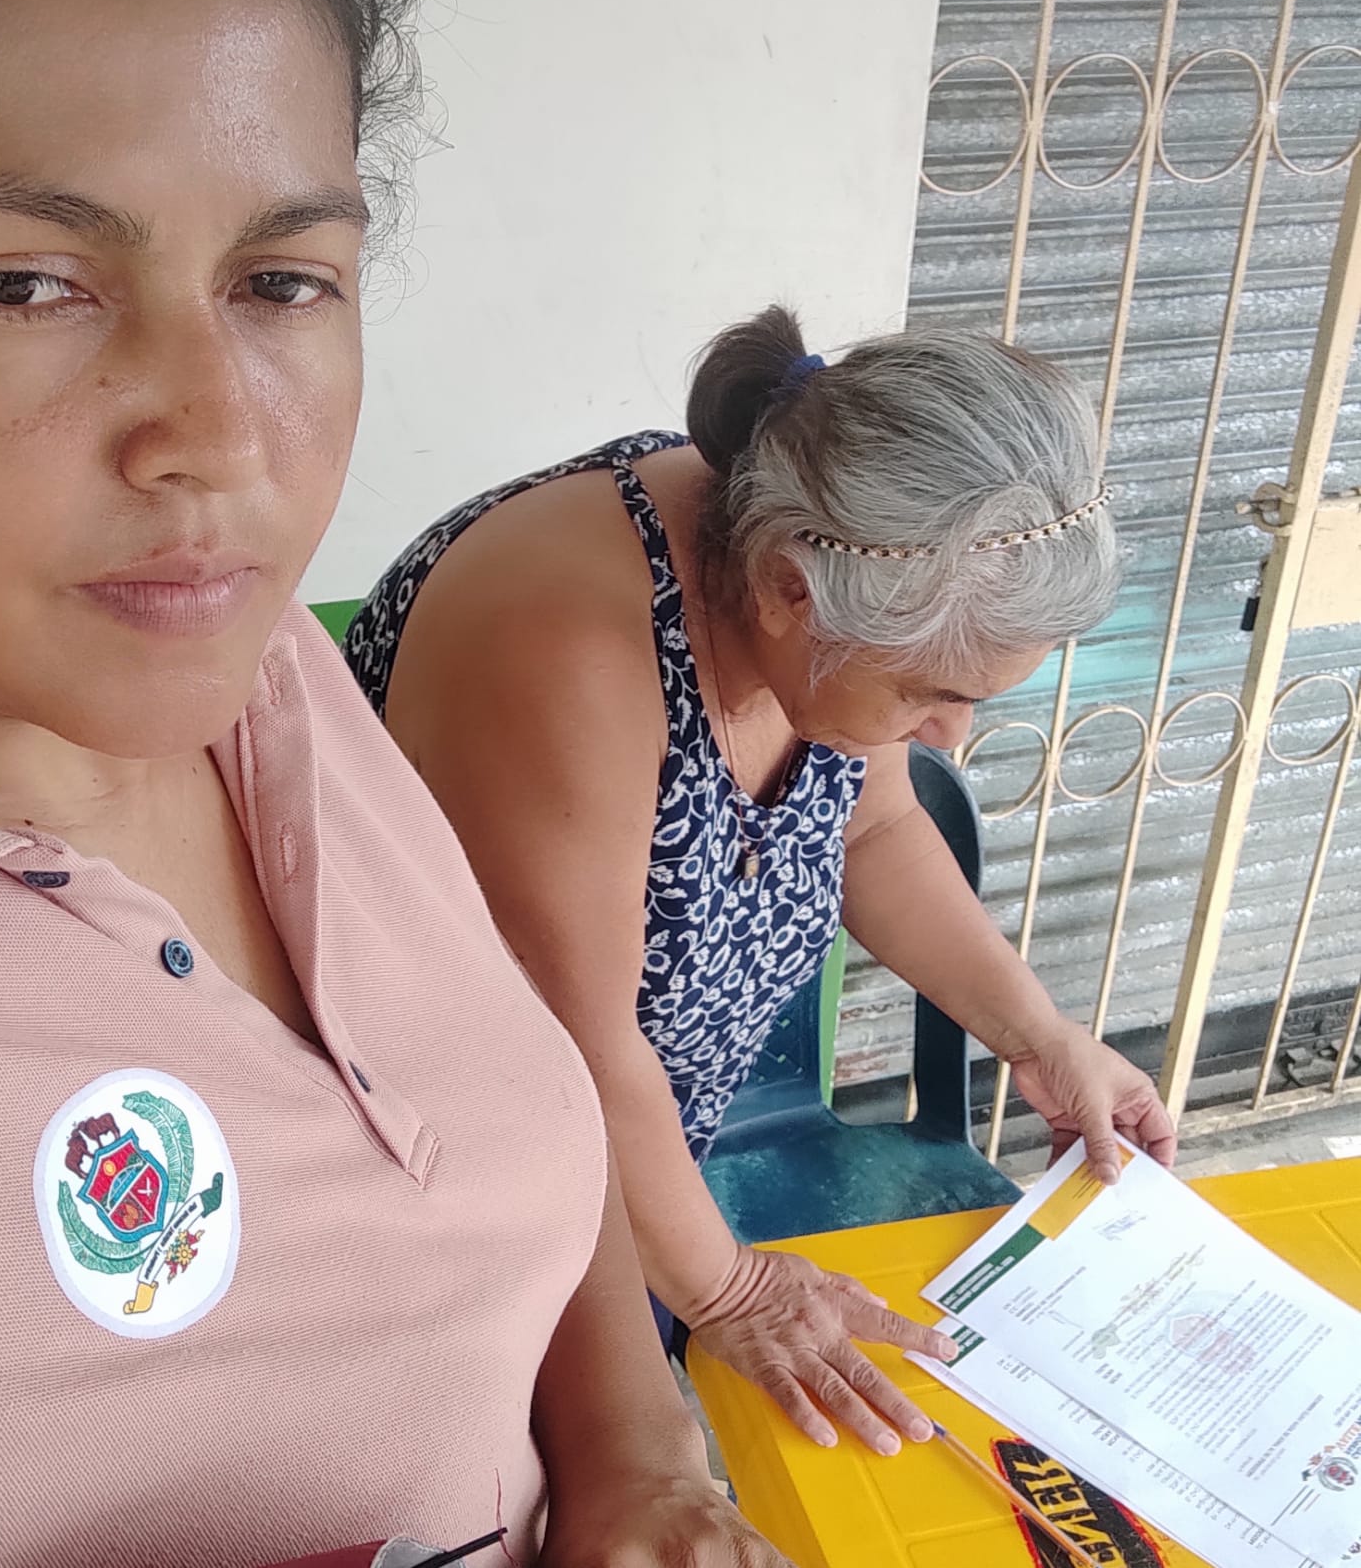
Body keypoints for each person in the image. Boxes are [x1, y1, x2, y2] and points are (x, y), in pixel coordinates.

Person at [0, 0, 800, 1564]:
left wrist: (636, 1456)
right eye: (24, 284)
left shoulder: (253, 669)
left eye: (280, 281)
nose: (223, 433)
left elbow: (504, 1097)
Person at [344, 309, 1181, 1456]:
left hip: (628, 1176)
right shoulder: (567, 646)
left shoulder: (845, 568)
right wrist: (732, 1290)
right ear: (791, 588)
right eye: (932, 692)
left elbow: (874, 830)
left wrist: (1039, 1037)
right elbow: (569, 1049)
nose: (951, 736)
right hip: (434, 1195)